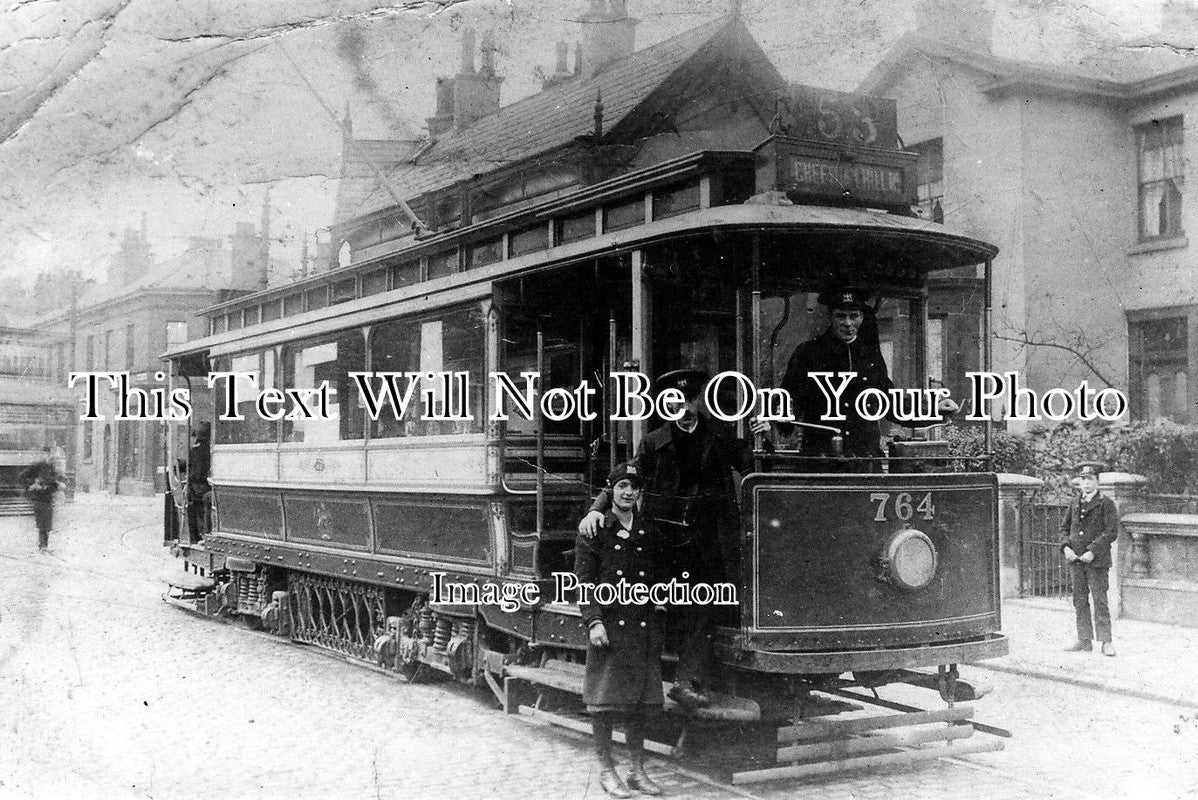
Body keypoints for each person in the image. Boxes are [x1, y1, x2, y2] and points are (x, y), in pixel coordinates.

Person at [579, 369, 767, 710]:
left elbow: (752, 466)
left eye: (693, 400)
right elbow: (629, 478)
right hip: (666, 540)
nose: (686, 408)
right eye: (678, 401)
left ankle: (686, 680)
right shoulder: (654, 441)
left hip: (710, 539)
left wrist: (763, 437)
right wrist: (597, 509)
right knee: (679, 604)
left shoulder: (720, 436)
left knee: (705, 603)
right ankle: (680, 678)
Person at [575, 462, 671, 797]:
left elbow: (660, 572)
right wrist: (594, 621)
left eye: (633, 487)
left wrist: (660, 602)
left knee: (639, 704)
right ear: (611, 491)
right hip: (610, 628)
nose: (628, 492)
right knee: (604, 703)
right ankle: (606, 770)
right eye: (621, 487)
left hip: (642, 629)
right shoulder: (595, 528)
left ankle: (636, 770)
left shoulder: (646, 528)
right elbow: (584, 582)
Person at [1060, 461, 1119, 656]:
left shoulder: (1106, 503)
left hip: (1097, 562)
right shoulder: (1075, 502)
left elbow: (1111, 532)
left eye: (1090, 479)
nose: (1086, 483)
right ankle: (1084, 640)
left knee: (1099, 600)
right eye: (1083, 479)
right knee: (1079, 600)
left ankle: (1106, 642)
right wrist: (1066, 547)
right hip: (1076, 560)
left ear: (1097, 482)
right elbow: (1063, 528)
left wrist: (1092, 551)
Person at [20, 448, 63, 551]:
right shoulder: (35, 467)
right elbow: (23, 477)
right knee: (41, 523)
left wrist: (51, 486)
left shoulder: (51, 468)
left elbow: (55, 483)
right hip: (38, 499)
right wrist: (32, 486)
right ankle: (42, 545)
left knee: (47, 523)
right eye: (43, 455)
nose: (45, 457)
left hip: (48, 499)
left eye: (47, 455)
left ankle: (44, 545)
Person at [187, 421, 212, 540]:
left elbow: (196, 473)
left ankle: (199, 535)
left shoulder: (196, 451)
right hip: (207, 485)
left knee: (193, 505)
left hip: (199, 487)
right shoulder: (209, 449)